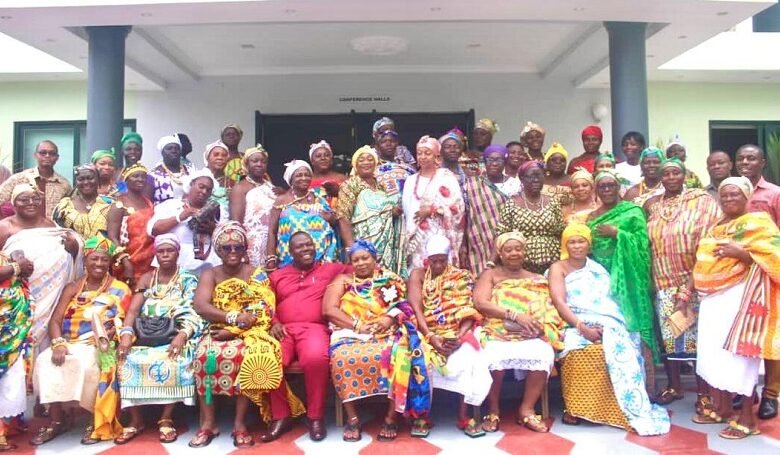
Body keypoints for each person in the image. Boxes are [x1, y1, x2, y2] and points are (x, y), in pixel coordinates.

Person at [190, 222, 304, 448]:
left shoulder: (256, 273)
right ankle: (209, 423)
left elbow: (265, 306)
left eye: (238, 248)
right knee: (203, 357)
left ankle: (240, 424)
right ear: (218, 250)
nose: (232, 252)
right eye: (226, 248)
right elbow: (201, 305)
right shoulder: (210, 274)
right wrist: (232, 319)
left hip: (251, 330)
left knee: (247, 358)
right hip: (217, 329)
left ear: (245, 250)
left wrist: (236, 329)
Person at [548, 224, 670, 435]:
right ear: (565, 245)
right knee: (578, 351)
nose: (577, 246)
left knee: (624, 346)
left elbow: (608, 300)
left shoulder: (597, 268)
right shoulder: (558, 268)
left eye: (582, 241)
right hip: (573, 321)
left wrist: (607, 323)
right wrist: (582, 327)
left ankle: (617, 407)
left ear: (589, 244)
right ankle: (576, 409)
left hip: (606, 320)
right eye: (572, 242)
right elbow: (559, 302)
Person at [693, 177, 780, 439]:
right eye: (725, 195)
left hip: (742, 297)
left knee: (740, 357)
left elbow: (774, 258)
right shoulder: (716, 225)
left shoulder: (758, 222)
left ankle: (746, 418)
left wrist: (741, 253)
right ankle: (721, 408)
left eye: (735, 195)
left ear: (747, 197)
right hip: (712, 300)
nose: (729, 199)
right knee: (713, 354)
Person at [323, 239, 433, 441]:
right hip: (350, 332)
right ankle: (353, 418)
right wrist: (358, 326)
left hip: (386, 330)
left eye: (365, 258)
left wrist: (388, 317)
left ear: (375, 258)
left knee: (399, 355)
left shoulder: (389, 280)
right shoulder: (344, 280)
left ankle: (391, 417)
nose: (361, 263)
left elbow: (403, 305)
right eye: (356, 260)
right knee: (341, 358)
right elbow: (329, 310)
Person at [31, 235, 130, 446]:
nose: (99, 264)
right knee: (45, 360)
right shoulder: (72, 287)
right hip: (68, 341)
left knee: (86, 363)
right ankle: (57, 419)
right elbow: (55, 320)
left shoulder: (120, 288)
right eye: (94, 259)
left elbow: (122, 321)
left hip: (97, 342)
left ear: (111, 263)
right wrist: (58, 343)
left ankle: (95, 420)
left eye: (104, 260)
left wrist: (107, 335)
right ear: (85, 260)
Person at [644, 159, 721, 409]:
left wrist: (687, 290)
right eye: (665, 174)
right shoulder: (653, 206)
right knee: (670, 339)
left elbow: (708, 247)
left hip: (695, 281)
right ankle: (675, 386)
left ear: (685, 175)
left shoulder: (702, 202)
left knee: (696, 341)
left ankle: (703, 394)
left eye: (675, 173)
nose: (670, 178)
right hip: (662, 283)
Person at [116, 234, 203, 444]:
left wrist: (182, 336)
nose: (165, 255)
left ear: (177, 253)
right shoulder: (147, 278)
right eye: (161, 251)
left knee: (176, 358)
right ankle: (136, 420)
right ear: (156, 254)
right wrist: (126, 335)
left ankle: (166, 418)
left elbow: (194, 310)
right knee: (126, 358)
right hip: (146, 333)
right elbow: (133, 311)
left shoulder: (187, 278)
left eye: (169, 251)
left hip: (176, 332)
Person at [473, 232, 564, 433]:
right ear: (500, 253)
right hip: (497, 328)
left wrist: (537, 327)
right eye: (508, 249)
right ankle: (494, 408)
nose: (514, 253)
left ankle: (526, 408)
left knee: (543, 352)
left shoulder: (537, 278)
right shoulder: (491, 275)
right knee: (492, 355)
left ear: (524, 252)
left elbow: (547, 309)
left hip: (529, 332)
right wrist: (515, 315)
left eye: (518, 249)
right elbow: (480, 302)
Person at [269, 231, 350, 441]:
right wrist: (274, 322)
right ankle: (281, 416)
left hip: (314, 328)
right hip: (283, 329)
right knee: (269, 360)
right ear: (290, 252)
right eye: (300, 247)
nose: (306, 249)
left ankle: (315, 417)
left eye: (309, 245)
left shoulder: (331, 269)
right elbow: (264, 303)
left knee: (316, 359)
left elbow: (362, 267)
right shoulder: (277, 275)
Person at [408, 235, 491, 437]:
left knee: (471, 354)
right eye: (433, 260)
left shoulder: (461, 276)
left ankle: (464, 415)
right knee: (417, 355)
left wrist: (460, 336)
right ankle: (422, 415)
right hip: (427, 329)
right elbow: (416, 308)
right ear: (426, 259)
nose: (438, 265)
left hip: (458, 331)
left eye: (442, 260)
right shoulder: (418, 274)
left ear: (448, 258)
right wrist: (430, 336)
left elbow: (468, 308)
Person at [586, 170, 659, 387]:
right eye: (602, 186)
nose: (607, 189)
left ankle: (647, 386)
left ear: (619, 188)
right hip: (601, 280)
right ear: (596, 191)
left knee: (635, 324)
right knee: (608, 326)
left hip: (630, 278)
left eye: (611, 185)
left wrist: (618, 233)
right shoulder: (591, 217)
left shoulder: (633, 211)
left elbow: (643, 242)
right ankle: (611, 388)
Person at [0, 184, 81, 351]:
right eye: (24, 199)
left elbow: (69, 254)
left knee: (41, 340)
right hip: (16, 298)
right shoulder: (4, 227)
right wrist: (16, 265)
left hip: (49, 297)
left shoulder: (50, 225)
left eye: (35, 199)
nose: (31, 203)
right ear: (14, 204)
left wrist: (73, 248)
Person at [735, 144, 780, 419]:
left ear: (762, 162)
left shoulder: (774, 193)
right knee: (745, 336)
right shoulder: (731, 191)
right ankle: (745, 391)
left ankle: (771, 394)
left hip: (767, 275)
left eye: (751, 158)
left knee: (769, 337)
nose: (745, 162)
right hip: (736, 277)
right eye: (740, 158)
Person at [337, 146, 404, 274]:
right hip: (363, 240)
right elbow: (343, 216)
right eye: (361, 160)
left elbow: (384, 210)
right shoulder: (350, 184)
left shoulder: (381, 186)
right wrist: (351, 247)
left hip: (385, 243)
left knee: (383, 275)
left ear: (376, 163)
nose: (366, 162)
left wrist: (392, 212)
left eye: (370, 159)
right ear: (355, 165)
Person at [402, 136, 465, 272]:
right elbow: (407, 213)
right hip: (416, 237)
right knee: (418, 272)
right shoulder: (410, 181)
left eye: (427, 153)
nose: (423, 157)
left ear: (437, 156)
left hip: (440, 233)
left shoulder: (446, 178)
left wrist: (432, 210)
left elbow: (458, 208)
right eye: (419, 153)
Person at [266, 160, 338, 270]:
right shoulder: (281, 201)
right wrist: (271, 258)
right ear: (291, 180)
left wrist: (331, 219)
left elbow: (334, 223)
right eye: (299, 175)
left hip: (321, 261)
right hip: (290, 260)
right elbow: (272, 231)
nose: (304, 178)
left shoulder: (319, 198)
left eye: (307, 175)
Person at [496, 161, 565, 274]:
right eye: (531, 176)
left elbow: (560, 230)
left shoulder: (553, 201)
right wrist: (492, 262)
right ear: (522, 178)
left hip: (553, 262)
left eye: (540, 175)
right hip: (521, 265)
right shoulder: (512, 203)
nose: (536, 179)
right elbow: (502, 235)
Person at [148, 169, 221, 274]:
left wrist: (213, 230)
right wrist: (180, 217)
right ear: (191, 184)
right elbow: (154, 230)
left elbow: (224, 236)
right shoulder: (171, 205)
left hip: (208, 262)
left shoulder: (216, 210)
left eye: (208, 190)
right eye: (201, 187)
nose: (204, 191)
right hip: (175, 260)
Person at [0, 248, 34, 451]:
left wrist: (21, 265)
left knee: (12, 378)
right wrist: (16, 267)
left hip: (15, 324)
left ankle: (9, 424)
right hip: (5, 326)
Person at [107, 163, 155, 287]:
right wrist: (125, 262)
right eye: (136, 176)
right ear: (126, 180)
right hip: (129, 262)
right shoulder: (119, 204)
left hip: (149, 262)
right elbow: (112, 237)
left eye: (143, 177)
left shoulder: (148, 202)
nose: (140, 179)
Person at [461, 151, 509, 276]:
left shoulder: (514, 183)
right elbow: (465, 214)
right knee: (482, 275)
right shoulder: (472, 184)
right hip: (479, 239)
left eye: (498, 160)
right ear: (484, 163)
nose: (494, 164)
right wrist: (464, 245)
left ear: (505, 162)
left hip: (506, 237)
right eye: (490, 160)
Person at [229, 144, 277, 267]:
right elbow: (236, 223)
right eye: (255, 161)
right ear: (246, 164)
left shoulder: (270, 187)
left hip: (272, 243)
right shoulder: (240, 188)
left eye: (263, 161)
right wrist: (241, 251)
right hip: (251, 244)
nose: (259, 164)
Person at [0, 140, 72, 218]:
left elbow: (69, 211)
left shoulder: (64, 184)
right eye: (43, 152)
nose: (47, 156)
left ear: (57, 158)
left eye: (52, 153)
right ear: (35, 155)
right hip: (24, 228)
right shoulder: (19, 179)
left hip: (53, 228)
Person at [52, 164, 113, 240]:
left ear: (98, 180)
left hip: (105, 250)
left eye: (90, 178)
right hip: (71, 250)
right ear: (76, 182)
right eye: (81, 179)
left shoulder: (110, 204)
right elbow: (57, 234)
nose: (86, 182)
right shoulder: (64, 207)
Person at [150, 135, 191, 205]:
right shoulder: (153, 175)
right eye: (169, 148)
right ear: (162, 152)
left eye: (177, 148)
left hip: (189, 213)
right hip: (163, 214)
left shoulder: (190, 171)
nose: (174, 151)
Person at [308, 140, 347, 206]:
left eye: (326, 155)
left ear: (331, 160)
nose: (323, 158)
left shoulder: (343, 179)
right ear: (312, 161)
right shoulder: (305, 180)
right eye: (318, 156)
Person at [203, 140, 232, 221]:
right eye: (216, 155)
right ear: (207, 158)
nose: (220, 158)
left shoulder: (231, 182)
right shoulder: (198, 179)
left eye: (224, 155)